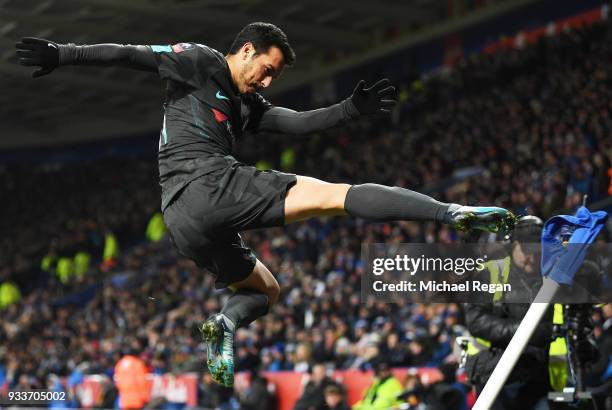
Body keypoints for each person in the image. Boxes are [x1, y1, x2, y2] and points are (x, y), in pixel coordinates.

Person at [17, 22, 515, 386]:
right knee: (335, 196)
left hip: (181, 221)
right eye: (267, 69)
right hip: (208, 184)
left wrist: (349, 110)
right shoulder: (200, 60)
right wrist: (64, 54)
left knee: (265, 291)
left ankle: (223, 326)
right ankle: (450, 213)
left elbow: (295, 122)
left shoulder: (245, 104)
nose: (267, 81)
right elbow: (129, 55)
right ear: (247, 49)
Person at [464, 216, 553, 410]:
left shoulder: (551, 278)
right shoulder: (491, 273)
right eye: (528, 251)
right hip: (495, 375)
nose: (533, 258)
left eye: (538, 252)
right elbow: (476, 320)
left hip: (538, 378)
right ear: (514, 244)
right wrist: (524, 331)